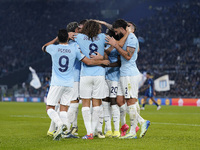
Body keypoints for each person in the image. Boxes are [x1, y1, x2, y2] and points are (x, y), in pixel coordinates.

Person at [42, 29, 109, 140]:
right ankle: (67, 131)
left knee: (49, 107)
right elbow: (88, 61)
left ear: (59, 38)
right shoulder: (74, 49)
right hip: (69, 83)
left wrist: (55, 39)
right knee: (64, 109)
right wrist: (101, 61)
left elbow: (44, 47)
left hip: (56, 83)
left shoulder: (53, 48)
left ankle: (59, 124)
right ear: (67, 38)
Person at [106, 19, 150, 139]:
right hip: (123, 74)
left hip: (129, 74)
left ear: (122, 29)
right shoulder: (125, 36)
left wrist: (115, 45)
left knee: (130, 101)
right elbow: (119, 44)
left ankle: (132, 131)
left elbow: (128, 56)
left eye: (116, 31)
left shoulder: (131, 37)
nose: (115, 34)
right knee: (120, 100)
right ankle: (142, 122)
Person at [74, 20, 108, 139]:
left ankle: (89, 133)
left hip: (85, 75)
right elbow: (113, 43)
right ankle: (93, 131)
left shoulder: (79, 37)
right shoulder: (103, 37)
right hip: (99, 74)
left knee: (85, 104)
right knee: (97, 104)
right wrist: (103, 58)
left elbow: (69, 35)